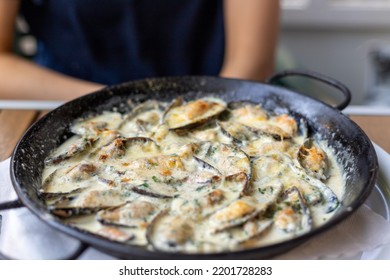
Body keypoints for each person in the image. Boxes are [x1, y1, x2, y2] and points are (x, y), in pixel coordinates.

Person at [0, 0, 280, 101]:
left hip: (212, 99)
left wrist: (200, 114)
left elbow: (252, 60)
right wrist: (116, 103)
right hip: (59, 102)